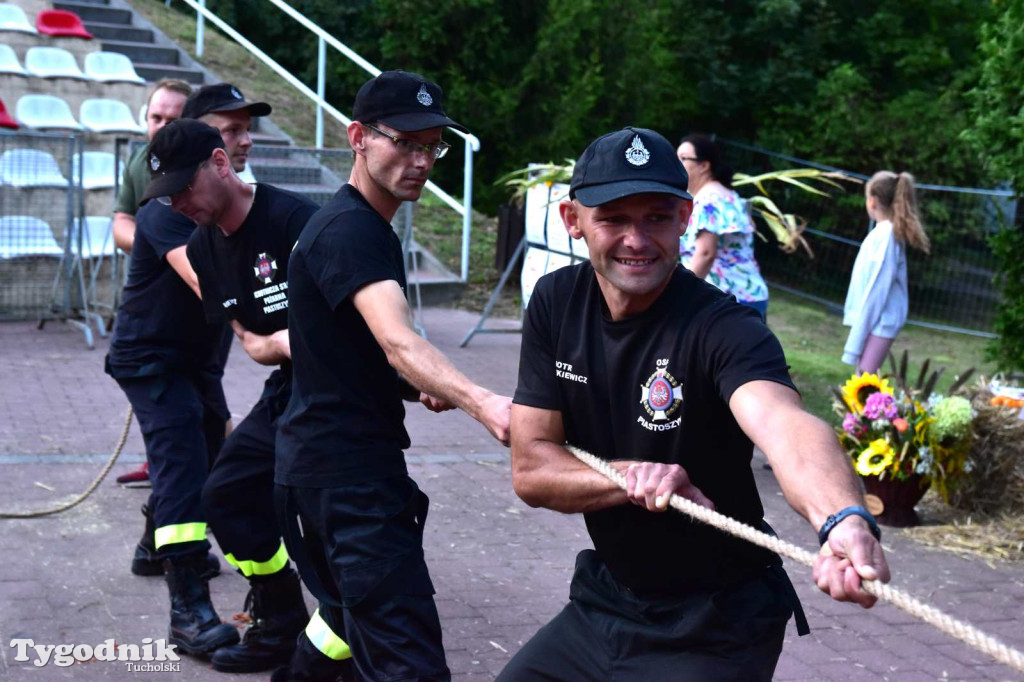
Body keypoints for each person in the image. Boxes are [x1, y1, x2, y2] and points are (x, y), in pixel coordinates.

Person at [500, 127, 891, 681]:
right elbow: (531, 467)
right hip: (609, 602)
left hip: (718, 622)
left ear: (686, 218)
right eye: (613, 218)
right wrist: (630, 477)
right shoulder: (555, 302)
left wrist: (844, 520)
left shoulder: (725, 329)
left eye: (657, 217)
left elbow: (786, 427)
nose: (637, 239)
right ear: (573, 220)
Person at [273, 70, 512, 682]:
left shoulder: (355, 226)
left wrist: (411, 384)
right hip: (349, 487)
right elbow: (399, 340)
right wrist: (486, 404)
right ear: (358, 137)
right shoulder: (352, 231)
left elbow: (347, 348)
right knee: (411, 665)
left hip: (323, 474)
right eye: (402, 142)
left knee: (344, 629)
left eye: (431, 145)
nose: (420, 160)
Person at [139, 118, 320, 674]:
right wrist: (277, 345)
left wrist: (286, 342)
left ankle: (340, 641)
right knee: (227, 494)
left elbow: (356, 324)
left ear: (220, 164)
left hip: (342, 391)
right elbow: (252, 342)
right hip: (289, 387)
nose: (174, 203)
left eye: (181, 188)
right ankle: (280, 613)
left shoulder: (300, 221)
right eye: (163, 195)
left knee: (326, 514)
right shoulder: (202, 246)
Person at [111, 77, 192, 486]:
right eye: (154, 117)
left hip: (198, 297)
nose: (160, 126)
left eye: (171, 119)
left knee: (200, 389)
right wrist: (156, 242)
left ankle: (213, 465)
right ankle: (163, 461)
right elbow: (121, 220)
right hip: (155, 294)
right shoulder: (139, 161)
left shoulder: (204, 160)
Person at [842, 171, 929, 374]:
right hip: (876, 323)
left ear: (872, 202)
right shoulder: (884, 234)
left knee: (864, 386)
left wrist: (855, 340)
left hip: (879, 323)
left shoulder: (885, 237)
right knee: (864, 385)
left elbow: (876, 291)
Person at [677, 133, 770, 321]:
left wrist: (680, 296)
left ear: (704, 166)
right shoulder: (728, 195)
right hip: (746, 295)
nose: (677, 163)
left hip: (727, 301)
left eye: (684, 159)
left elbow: (705, 254)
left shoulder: (709, 201)